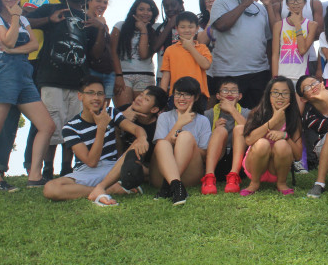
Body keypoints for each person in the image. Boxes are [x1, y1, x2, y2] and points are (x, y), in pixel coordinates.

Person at [0, 0, 56, 191]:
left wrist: (12, 49)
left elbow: (32, 44)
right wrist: (14, 18)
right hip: (2, 71)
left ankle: (34, 176)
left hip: (23, 72)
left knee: (47, 125)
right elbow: (9, 39)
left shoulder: (23, 19)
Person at [26, 0, 98, 178]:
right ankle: (47, 167)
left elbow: (93, 51)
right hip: (51, 76)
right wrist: (49, 19)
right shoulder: (52, 8)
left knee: (73, 124)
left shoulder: (88, 19)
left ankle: (67, 167)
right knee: (50, 124)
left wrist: (100, 29)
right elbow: (26, 21)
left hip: (78, 81)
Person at [42, 76, 149, 205]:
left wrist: (142, 138)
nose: (96, 98)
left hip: (113, 167)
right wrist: (101, 128)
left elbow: (136, 129)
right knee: (50, 188)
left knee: (138, 148)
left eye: (100, 94)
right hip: (87, 171)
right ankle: (107, 189)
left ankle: (101, 188)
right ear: (80, 96)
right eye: (90, 93)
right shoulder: (70, 128)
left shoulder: (111, 112)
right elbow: (91, 162)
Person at [86, 85, 168, 203]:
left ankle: (108, 186)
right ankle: (107, 187)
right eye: (141, 95)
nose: (139, 98)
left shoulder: (157, 127)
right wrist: (122, 119)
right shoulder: (122, 110)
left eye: (146, 99)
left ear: (154, 109)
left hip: (142, 165)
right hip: (113, 161)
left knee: (137, 167)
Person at [208, 0, 273, 109]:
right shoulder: (221, 3)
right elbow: (222, 25)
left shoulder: (260, 8)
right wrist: (244, 4)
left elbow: (269, 40)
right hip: (227, 73)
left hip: (258, 73)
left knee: (255, 119)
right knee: (227, 119)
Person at [151, 76, 212, 204]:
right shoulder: (164, 117)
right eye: (178, 94)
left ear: (195, 97)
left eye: (187, 95)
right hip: (161, 174)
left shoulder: (202, 120)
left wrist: (186, 145)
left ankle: (170, 186)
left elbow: (204, 154)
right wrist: (178, 124)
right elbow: (159, 149)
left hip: (190, 172)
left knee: (185, 136)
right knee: (163, 143)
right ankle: (174, 184)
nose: (181, 98)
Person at [240, 77, 303, 196]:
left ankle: (282, 183)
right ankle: (254, 183)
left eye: (285, 93)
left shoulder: (293, 118)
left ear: (291, 96)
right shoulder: (258, 113)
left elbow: (298, 155)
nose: (280, 97)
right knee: (262, 143)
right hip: (255, 165)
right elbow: (249, 140)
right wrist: (273, 121)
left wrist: (285, 136)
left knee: (282, 144)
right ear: (268, 95)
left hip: (277, 169)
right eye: (275, 93)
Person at [199, 78, 250, 194]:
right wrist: (213, 130)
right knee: (220, 130)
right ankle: (209, 177)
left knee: (240, 128)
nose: (229, 94)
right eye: (225, 90)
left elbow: (251, 134)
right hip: (216, 160)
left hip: (239, 162)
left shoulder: (246, 113)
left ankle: (233, 177)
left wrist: (232, 110)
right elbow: (202, 143)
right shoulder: (209, 114)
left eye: (233, 91)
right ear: (217, 96)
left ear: (240, 96)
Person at [111, 0, 159, 107]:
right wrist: (118, 75)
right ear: (134, 11)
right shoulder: (121, 26)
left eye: (149, 10)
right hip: (124, 75)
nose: (145, 13)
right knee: (124, 114)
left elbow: (143, 54)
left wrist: (143, 30)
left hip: (146, 75)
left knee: (143, 115)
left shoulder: (155, 29)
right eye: (141, 9)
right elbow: (113, 51)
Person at [160, 11, 212, 101]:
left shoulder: (202, 48)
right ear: (176, 28)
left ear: (197, 28)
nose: (187, 30)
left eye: (191, 27)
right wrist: (160, 97)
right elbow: (166, 76)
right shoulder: (170, 50)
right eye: (182, 27)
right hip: (177, 95)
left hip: (198, 95)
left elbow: (206, 65)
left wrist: (190, 48)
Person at [272, 0, 317, 84]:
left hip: (301, 77)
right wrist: (275, 79)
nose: (295, 2)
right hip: (282, 77)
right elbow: (275, 54)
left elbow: (302, 50)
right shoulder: (279, 25)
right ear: (287, 3)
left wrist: (297, 24)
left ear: (304, 2)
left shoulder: (311, 25)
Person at [85, 0, 114, 105]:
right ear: (89, 1)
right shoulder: (84, 20)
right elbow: (95, 52)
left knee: (105, 111)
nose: (102, 5)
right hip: (92, 71)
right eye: (98, 1)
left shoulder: (102, 22)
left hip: (108, 72)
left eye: (105, 2)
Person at [194, 0, 224, 99]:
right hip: (209, 71)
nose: (210, 0)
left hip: (227, 67)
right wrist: (212, 16)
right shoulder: (199, 22)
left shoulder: (230, 16)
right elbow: (201, 42)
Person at [152, 0, 185, 85]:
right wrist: (170, 25)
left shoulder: (189, 27)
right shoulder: (159, 28)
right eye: (166, 7)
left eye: (173, 5)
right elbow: (155, 48)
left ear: (181, 6)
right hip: (162, 75)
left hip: (184, 73)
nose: (170, 9)